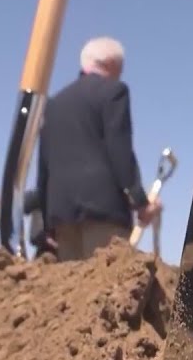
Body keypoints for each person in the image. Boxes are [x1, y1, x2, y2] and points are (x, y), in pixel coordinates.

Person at [35, 37, 162, 261]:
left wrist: (47, 223)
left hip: (61, 216)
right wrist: (140, 202)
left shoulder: (52, 105)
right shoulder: (114, 91)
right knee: (108, 279)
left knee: (73, 281)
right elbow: (119, 150)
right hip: (104, 211)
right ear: (113, 64)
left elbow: (44, 166)